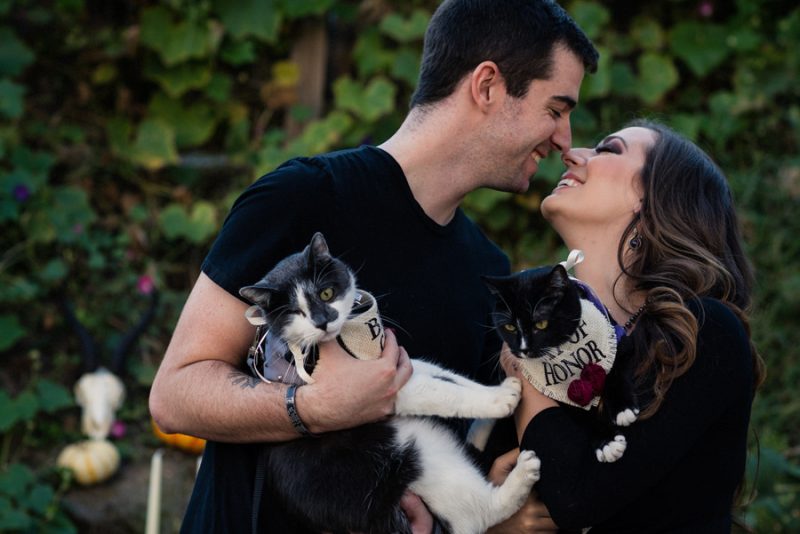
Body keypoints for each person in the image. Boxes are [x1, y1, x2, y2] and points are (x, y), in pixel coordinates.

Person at [148, 0, 598, 532]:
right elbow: (175, 394)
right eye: (555, 109)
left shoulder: (486, 267)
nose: (565, 139)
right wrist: (311, 408)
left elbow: (443, 465)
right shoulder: (303, 197)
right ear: (487, 86)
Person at [497, 119, 765, 532]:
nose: (572, 153)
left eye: (608, 149)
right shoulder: (527, 332)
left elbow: (577, 497)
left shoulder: (704, 335)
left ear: (654, 199)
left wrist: (526, 368)